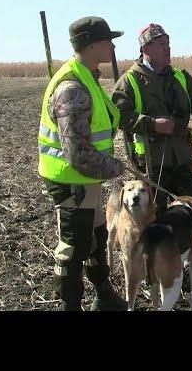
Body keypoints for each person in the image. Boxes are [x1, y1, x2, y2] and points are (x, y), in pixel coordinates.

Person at [38, 16, 127, 311]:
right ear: (92, 45)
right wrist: (116, 168)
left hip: (88, 181)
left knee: (96, 235)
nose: (112, 45)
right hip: (73, 180)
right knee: (73, 248)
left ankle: (104, 295)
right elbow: (78, 155)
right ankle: (70, 306)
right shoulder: (72, 88)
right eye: (107, 40)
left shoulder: (88, 76)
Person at [111, 23, 192, 211]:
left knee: (190, 216)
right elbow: (119, 115)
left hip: (183, 160)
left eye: (168, 43)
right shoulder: (129, 81)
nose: (167, 48)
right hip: (150, 165)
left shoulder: (180, 76)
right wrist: (152, 124)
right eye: (161, 44)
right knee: (155, 221)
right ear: (145, 48)